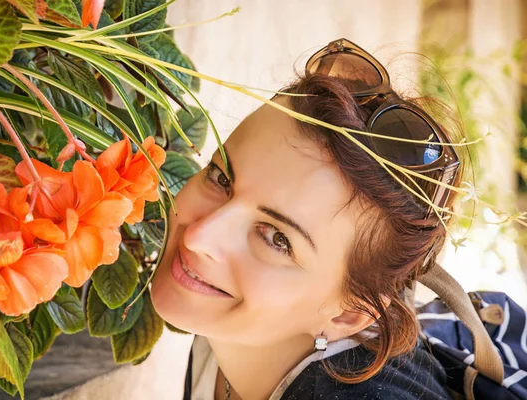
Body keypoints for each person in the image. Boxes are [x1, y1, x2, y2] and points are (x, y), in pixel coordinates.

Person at [150, 38, 462, 400]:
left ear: (347, 316)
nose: (199, 237)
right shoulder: (235, 327)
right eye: (221, 178)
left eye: (277, 238)